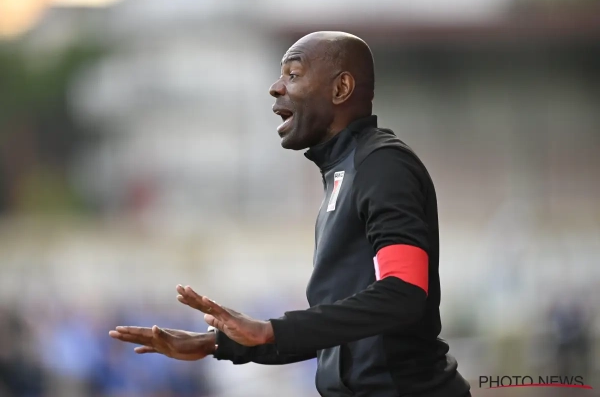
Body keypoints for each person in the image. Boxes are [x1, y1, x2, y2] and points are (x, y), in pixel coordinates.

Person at [109, 31, 471, 397]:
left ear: (341, 88)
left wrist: (271, 330)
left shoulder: (382, 165)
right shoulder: (342, 173)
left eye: (293, 75)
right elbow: (340, 331)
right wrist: (217, 343)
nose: (275, 88)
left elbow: (404, 292)